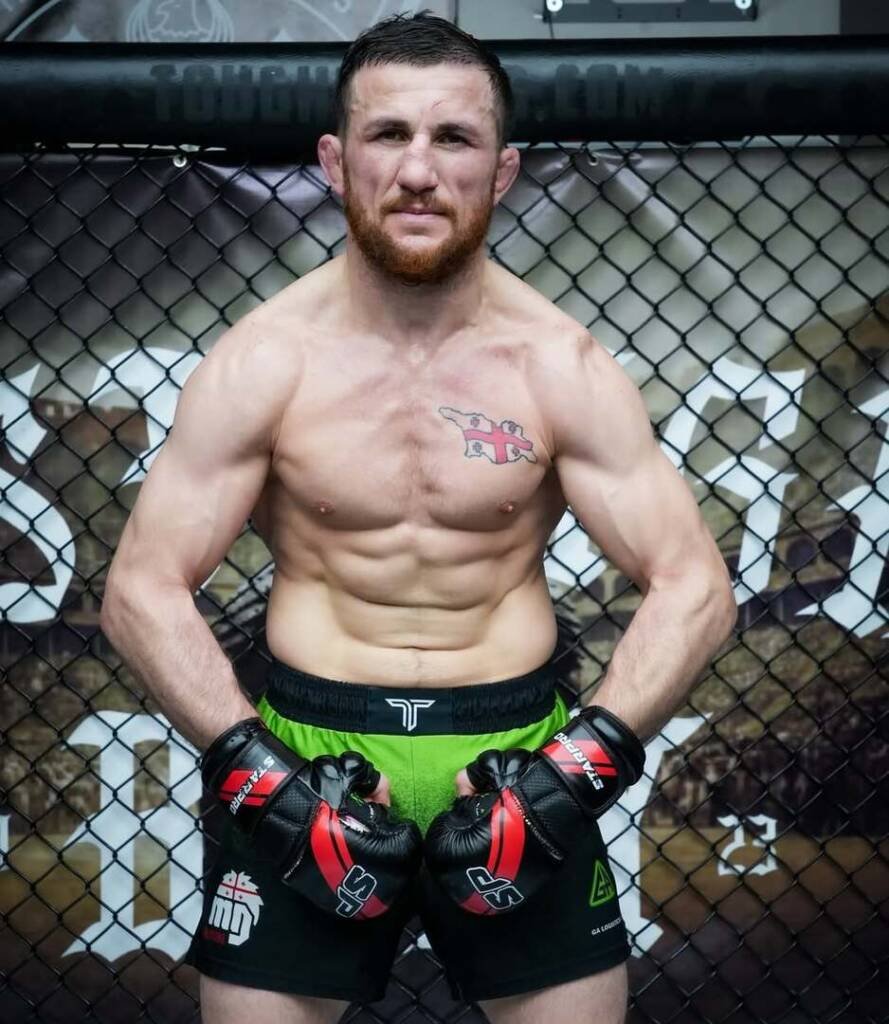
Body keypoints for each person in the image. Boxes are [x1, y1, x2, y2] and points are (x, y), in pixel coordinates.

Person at [99, 11, 737, 1024]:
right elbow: (140, 588)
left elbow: (693, 585)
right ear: (334, 161)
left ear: (503, 170)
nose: (418, 171)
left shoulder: (558, 365)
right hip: (310, 753)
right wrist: (261, 781)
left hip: (514, 758)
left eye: (454, 138)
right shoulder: (264, 362)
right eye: (388, 134)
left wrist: (576, 772)